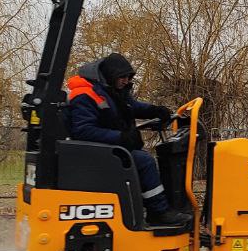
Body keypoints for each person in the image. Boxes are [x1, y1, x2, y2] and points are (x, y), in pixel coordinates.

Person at [66, 53, 187, 228]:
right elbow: (83, 131)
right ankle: (159, 212)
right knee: (145, 161)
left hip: (104, 149)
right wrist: (121, 138)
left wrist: (155, 110)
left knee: (141, 158)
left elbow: (131, 106)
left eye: (128, 77)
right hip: (95, 153)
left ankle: (149, 207)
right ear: (110, 74)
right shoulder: (84, 95)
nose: (125, 81)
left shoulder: (109, 91)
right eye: (122, 77)